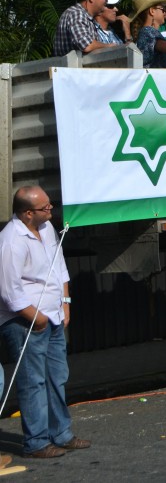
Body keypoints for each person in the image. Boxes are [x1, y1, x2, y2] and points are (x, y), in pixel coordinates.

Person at [0, 186, 91, 458]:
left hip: (53, 314)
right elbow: (8, 291)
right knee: (33, 381)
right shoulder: (11, 240)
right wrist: (37, 319)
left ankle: (61, 434)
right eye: (45, 208)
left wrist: (65, 303)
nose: (51, 210)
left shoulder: (48, 229)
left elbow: (59, 267)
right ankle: (37, 442)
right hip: (26, 320)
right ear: (28, 213)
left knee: (56, 376)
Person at [53, 0, 122, 57]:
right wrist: (109, 46)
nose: (106, 0)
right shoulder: (76, 13)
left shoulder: (85, 17)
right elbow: (86, 45)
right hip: (72, 69)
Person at [129, 0, 166, 69]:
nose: (165, 13)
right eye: (163, 9)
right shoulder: (148, 32)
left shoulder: (146, 32)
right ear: (152, 11)